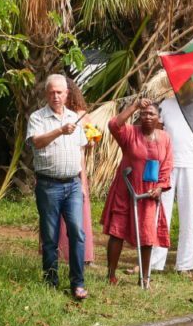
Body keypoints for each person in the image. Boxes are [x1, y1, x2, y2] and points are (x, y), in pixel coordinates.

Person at [26, 73, 90, 300]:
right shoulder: (37, 118)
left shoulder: (75, 118)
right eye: (52, 92)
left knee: (77, 233)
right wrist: (60, 130)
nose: (56, 96)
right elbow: (36, 142)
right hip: (48, 185)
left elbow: (81, 152)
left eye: (60, 92)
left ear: (67, 94)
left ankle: (78, 283)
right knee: (50, 236)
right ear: (46, 94)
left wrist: (82, 184)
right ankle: (51, 281)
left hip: (72, 184)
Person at [102, 96, 172, 285]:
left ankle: (144, 277)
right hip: (127, 188)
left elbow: (166, 166)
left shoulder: (165, 138)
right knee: (117, 231)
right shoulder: (130, 133)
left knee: (147, 234)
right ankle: (111, 275)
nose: (147, 117)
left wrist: (160, 187)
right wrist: (134, 106)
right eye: (144, 114)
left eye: (152, 114)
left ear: (159, 118)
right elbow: (113, 125)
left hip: (149, 192)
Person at [150, 95, 193, 274]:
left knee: (189, 215)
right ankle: (155, 262)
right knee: (161, 213)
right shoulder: (165, 105)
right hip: (167, 164)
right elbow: (156, 134)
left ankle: (185, 264)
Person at [58, 77, 96, 266]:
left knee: (79, 210)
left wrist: (89, 139)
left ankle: (82, 254)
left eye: (62, 92)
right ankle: (57, 251)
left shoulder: (81, 114)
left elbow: (90, 142)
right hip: (56, 165)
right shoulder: (53, 113)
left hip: (76, 165)